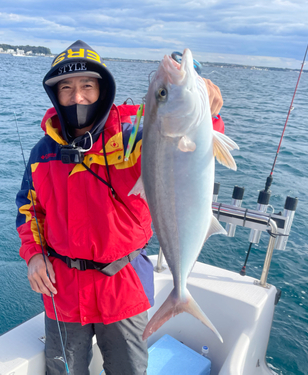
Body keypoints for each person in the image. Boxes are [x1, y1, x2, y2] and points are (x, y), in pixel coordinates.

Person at [16, 40, 224, 375]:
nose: (77, 97)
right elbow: (29, 208)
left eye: (87, 86)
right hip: (63, 291)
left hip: (122, 286)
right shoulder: (43, 151)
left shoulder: (133, 137)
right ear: (55, 94)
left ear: (103, 89)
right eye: (66, 88)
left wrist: (209, 112)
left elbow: (184, 151)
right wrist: (34, 254)